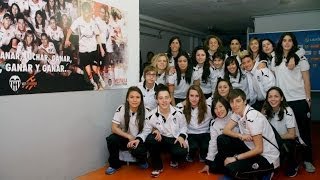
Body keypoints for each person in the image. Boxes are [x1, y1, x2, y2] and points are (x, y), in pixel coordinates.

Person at [272, 32, 315, 173]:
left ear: (293, 43)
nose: (287, 43)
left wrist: (308, 99)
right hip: (283, 102)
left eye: (290, 40)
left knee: (303, 133)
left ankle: (307, 160)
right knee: (289, 133)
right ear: (281, 43)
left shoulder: (301, 58)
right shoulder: (275, 59)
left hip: (299, 100)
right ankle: (293, 161)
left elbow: (307, 80)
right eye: (284, 40)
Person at [219, 89, 280, 179]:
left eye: (238, 101)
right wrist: (241, 135)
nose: (235, 105)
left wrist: (235, 158)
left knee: (232, 169)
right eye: (232, 102)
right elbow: (226, 130)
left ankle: (266, 173)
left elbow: (259, 149)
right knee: (222, 139)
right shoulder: (237, 112)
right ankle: (243, 168)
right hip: (251, 149)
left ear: (245, 101)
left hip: (267, 157)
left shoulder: (252, 117)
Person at [131, 84, 188, 178]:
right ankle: (157, 166)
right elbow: (145, 131)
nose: (164, 101)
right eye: (161, 98)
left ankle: (174, 158)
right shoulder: (151, 115)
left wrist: (182, 137)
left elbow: (184, 127)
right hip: (160, 140)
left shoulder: (179, 113)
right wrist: (138, 139)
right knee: (150, 138)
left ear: (170, 99)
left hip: (174, 139)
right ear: (156, 100)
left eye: (166, 97)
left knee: (181, 153)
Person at [263, 86, 305, 177]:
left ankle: (293, 164)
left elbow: (291, 135)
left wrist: (273, 138)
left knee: (287, 146)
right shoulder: (265, 111)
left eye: (276, 96)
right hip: (273, 139)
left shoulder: (288, 111)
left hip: (288, 140)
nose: (273, 99)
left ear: (281, 98)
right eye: (270, 97)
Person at [105, 86, 149, 175]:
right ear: (127, 99)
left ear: (141, 99)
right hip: (126, 138)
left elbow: (147, 130)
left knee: (138, 151)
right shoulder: (122, 108)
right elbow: (114, 128)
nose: (134, 100)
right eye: (131, 97)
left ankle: (142, 161)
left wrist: (137, 139)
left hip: (139, 140)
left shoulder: (146, 111)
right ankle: (114, 165)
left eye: (137, 97)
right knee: (111, 139)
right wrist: (128, 136)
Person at [65, 2, 106, 90]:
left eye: (88, 12)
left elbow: (98, 35)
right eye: (85, 12)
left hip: (92, 48)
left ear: (90, 12)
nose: (86, 15)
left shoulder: (93, 22)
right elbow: (70, 30)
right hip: (83, 49)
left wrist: (101, 48)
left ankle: (100, 78)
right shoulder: (78, 21)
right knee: (88, 70)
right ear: (83, 12)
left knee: (95, 69)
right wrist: (67, 39)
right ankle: (93, 83)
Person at [199, 96, 235, 175]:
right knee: (213, 168)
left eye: (221, 106)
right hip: (225, 152)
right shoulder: (214, 123)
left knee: (222, 138)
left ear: (226, 105)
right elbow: (213, 143)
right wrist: (208, 162)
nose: (218, 110)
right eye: (215, 108)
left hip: (239, 149)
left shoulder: (234, 116)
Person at [176, 85, 211, 163]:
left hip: (204, 133)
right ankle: (191, 153)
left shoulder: (207, 108)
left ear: (200, 97)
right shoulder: (183, 108)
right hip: (190, 133)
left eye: (197, 96)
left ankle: (202, 153)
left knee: (205, 148)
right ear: (187, 96)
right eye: (191, 96)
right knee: (192, 148)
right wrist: (183, 103)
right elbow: (174, 110)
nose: (194, 99)